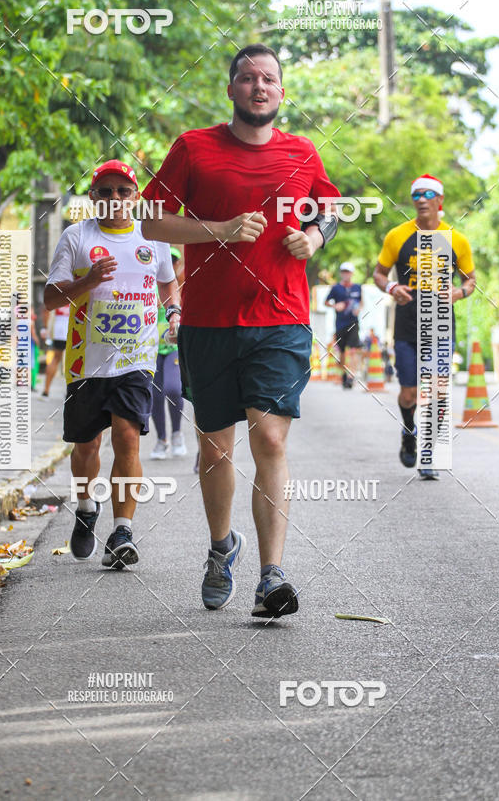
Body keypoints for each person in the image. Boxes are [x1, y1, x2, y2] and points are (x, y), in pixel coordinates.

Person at [141, 43, 339, 618]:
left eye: (269, 79)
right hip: (208, 322)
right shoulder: (193, 148)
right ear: (230, 89)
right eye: (247, 78)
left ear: (281, 92)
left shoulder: (303, 153)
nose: (259, 87)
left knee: (271, 438)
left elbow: (327, 208)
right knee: (215, 447)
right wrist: (220, 228)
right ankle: (220, 547)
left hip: (280, 318)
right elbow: (153, 221)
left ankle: (271, 576)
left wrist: (317, 238)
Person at [44, 160, 180, 566]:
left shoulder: (152, 236)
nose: (114, 199)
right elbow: (51, 298)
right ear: (93, 198)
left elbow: (167, 281)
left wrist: (173, 312)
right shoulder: (76, 236)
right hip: (88, 362)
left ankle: (123, 531)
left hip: (138, 358)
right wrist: (88, 281)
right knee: (87, 445)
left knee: (128, 435)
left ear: (135, 196)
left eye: (123, 191)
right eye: (105, 191)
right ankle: (86, 508)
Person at [373, 174, 476, 480]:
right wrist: (392, 287)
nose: (420, 198)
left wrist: (460, 292)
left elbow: (470, 279)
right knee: (410, 394)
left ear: (439, 200)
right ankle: (409, 430)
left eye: (427, 193)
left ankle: (429, 454)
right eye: (415, 193)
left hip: (441, 325)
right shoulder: (397, 236)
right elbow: (379, 273)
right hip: (407, 325)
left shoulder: (456, 239)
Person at [150, 247, 187, 459]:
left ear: (178, 264)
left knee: (173, 389)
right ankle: (161, 440)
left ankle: (176, 434)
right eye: (168, 260)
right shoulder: (150, 287)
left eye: (175, 261)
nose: (171, 264)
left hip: (174, 347)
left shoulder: (180, 287)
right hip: (152, 348)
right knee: (155, 394)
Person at [325, 262, 362, 388]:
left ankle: (351, 376)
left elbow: (362, 302)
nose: (346, 274)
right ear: (341, 273)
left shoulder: (357, 287)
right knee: (342, 352)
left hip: (353, 322)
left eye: (348, 272)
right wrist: (335, 306)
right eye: (344, 272)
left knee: (352, 350)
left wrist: (359, 309)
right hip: (340, 324)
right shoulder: (336, 288)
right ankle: (343, 375)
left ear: (352, 274)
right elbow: (326, 302)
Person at [40, 304, 70, 397]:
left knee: (55, 359)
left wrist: (45, 327)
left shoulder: (58, 290)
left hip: (59, 329)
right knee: (72, 361)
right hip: (72, 327)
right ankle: (71, 392)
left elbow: (46, 309)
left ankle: (46, 391)